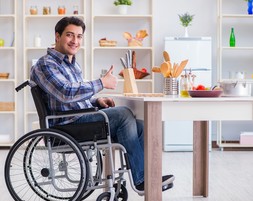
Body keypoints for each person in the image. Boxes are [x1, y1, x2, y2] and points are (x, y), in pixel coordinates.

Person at [30, 16, 174, 192]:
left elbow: (74, 96)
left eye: (79, 36)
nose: (75, 41)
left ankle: (147, 176)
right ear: (57, 36)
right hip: (66, 126)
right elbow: (65, 93)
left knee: (140, 126)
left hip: (79, 119)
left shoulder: (72, 65)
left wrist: (96, 100)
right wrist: (101, 83)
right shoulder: (45, 64)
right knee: (123, 114)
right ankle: (141, 180)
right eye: (70, 35)